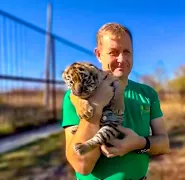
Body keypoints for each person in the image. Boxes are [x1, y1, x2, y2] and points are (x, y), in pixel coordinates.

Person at [61, 22, 170, 180]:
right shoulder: (76, 97)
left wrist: (138, 143)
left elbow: (164, 144)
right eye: (113, 52)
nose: (121, 59)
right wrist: (96, 105)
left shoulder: (148, 94)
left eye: (127, 52)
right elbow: (82, 165)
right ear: (98, 54)